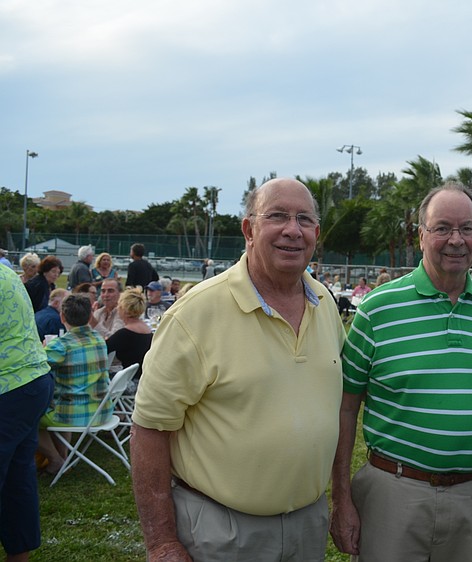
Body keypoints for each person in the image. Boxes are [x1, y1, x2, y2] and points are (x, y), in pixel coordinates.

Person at [131, 178, 346, 561]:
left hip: (307, 525)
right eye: (277, 216)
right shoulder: (195, 313)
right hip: (221, 533)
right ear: (249, 229)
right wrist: (162, 543)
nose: (292, 230)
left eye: (304, 219)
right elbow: (149, 428)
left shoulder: (325, 304)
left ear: (316, 232)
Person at [331, 181, 472, 562]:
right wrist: (341, 498)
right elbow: (345, 407)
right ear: (421, 235)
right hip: (394, 490)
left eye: (466, 228)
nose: (455, 239)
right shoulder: (377, 310)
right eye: (442, 228)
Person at [0, 264, 53, 562]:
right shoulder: (6, 272)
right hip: (32, 382)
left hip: (8, 385)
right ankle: (19, 555)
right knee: (18, 481)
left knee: (17, 480)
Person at [37, 294, 110, 475]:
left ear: (62, 317)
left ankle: (56, 459)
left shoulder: (61, 346)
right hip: (102, 410)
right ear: (90, 315)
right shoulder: (99, 338)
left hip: (74, 415)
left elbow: (36, 365)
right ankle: (64, 457)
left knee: (28, 416)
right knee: (62, 404)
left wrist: (44, 346)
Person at [106, 288, 153, 380]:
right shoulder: (147, 330)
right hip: (144, 378)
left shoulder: (124, 334)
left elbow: (103, 349)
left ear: (123, 308)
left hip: (130, 381)